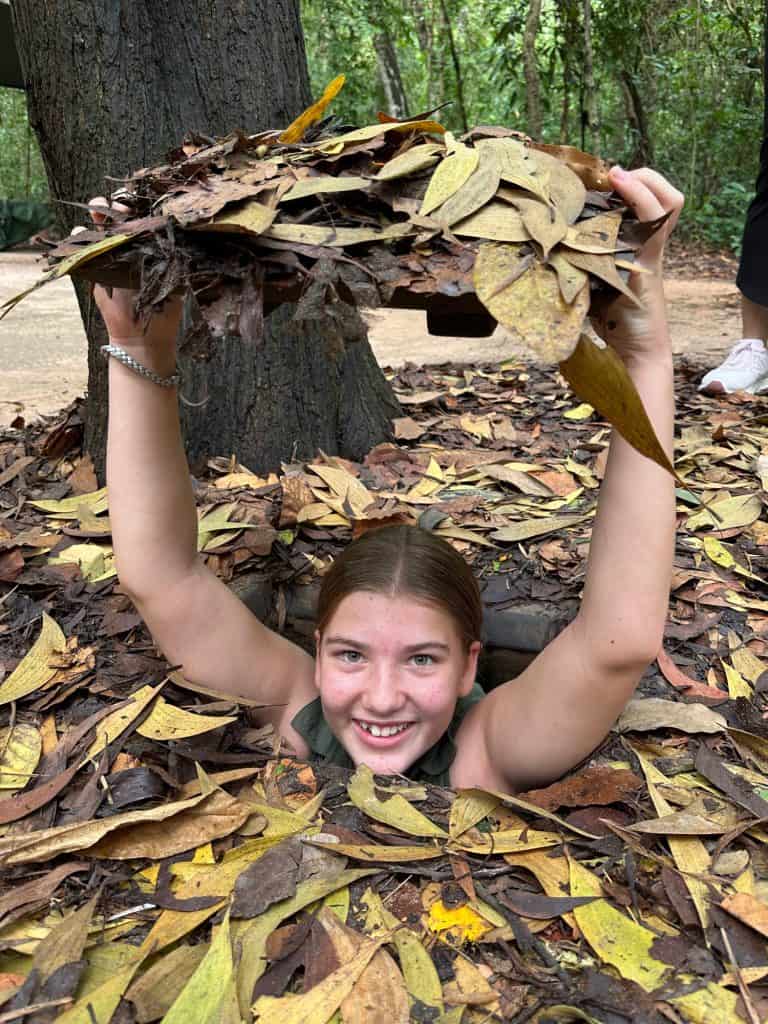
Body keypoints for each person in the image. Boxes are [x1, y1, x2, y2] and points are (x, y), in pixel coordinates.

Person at [82, 165, 683, 794]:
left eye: (423, 658)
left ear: (468, 668)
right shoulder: (299, 711)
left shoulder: (487, 748)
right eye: (350, 655)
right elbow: (162, 579)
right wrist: (139, 349)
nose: (382, 698)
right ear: (315, 655)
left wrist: (645, 355)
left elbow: (617, 641)